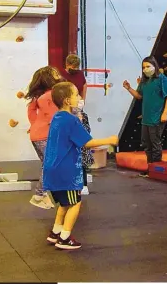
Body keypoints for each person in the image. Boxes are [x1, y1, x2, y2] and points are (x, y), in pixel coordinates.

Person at [42, 82, 118, 250]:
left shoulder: (58, 117)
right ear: (68, 100)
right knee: (75, 203)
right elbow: (87, 142)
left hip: (53, 169)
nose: (80, 98)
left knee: (65, 202)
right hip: (65, 170)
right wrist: (110, 140)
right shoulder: (71, 120)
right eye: (76, 95)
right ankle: (65, 238)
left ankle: (56, 232)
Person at [123, 56, 167, 177]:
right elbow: (139, 96)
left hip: (157, 118)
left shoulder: (161, 78)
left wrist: (165, 112)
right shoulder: (144, 81)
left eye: (148, 66)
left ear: (154, 66)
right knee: (146, 143)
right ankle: (150, 167)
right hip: (146, 118)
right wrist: (129, 88)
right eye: (143, 67)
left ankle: (157, 168)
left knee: (155, 143)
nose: (145, 69)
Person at [25, 66, 64, 209]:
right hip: (44, 135)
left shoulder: (40, 96)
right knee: (51, 165)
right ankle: (39, 194)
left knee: (47, 164)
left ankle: (45, 194)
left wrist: (35, 123)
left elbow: (31, 110)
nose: (58, 74)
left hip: (37, 134)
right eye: (55, 73)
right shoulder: (50, 95)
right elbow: (54, 115)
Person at [59, 54, 93, 194]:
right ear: (66, 65)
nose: (75, 70)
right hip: (67, 114)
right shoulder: (60, 76)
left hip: (77, 113)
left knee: (81, 149)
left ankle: (82, 182)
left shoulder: (80, 75)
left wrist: (82, 101)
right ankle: (67, 181)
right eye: (72, 68)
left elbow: (84, 85)